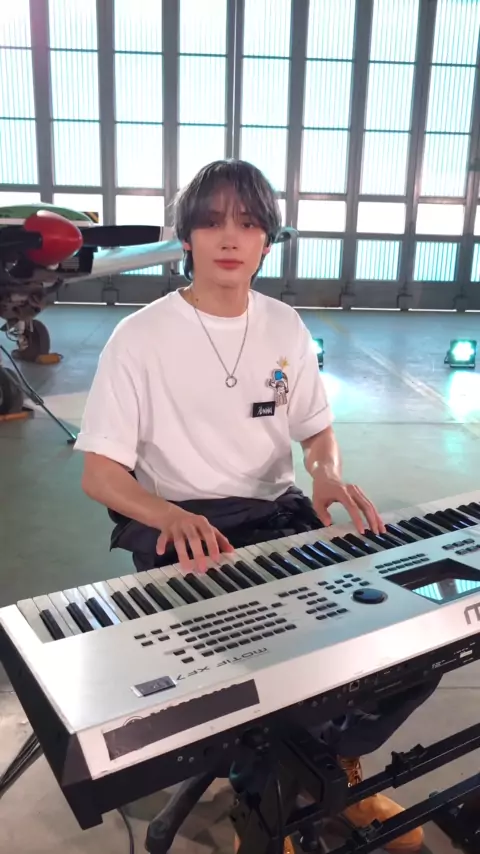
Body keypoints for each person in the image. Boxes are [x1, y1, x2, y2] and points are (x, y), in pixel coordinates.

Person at [75, 159, 438, 852]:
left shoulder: (284, 325)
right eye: (211, 221)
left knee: (407, 640)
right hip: (187, 534)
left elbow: (315, 431)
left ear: (267, 239)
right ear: (186, 236)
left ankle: (330, 774)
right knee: (275, 659)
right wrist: (167, 514)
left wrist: (326, 474)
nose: (228, 237)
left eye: (246, 223)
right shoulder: (140, 337)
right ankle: (263, 806)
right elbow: (101, 475)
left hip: (279, 520)